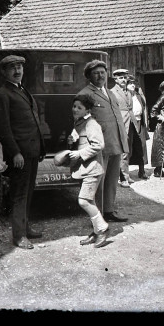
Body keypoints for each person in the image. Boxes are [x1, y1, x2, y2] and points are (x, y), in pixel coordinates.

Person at [0, 55, 45, 249]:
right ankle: (19, 236)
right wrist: (15, 153)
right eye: (12, 67)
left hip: (31, 151)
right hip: (20, 155)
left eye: (20, 67)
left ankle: (25, 228)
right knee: (19, 195)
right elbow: (3, 129)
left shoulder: (21, 90)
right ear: (4, 72)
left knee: (28, 192)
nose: (17, 70)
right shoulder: (2, 95)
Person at [77, 60, 129, 224]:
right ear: (89, 77)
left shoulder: (110, 92)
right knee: (98, 183)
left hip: (115, 143)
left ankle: (109, 211)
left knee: (112, 180)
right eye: (96, 73)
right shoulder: (85, 94)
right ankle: (97, 217)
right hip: (99, 147)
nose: (100, 76)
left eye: (102, 72)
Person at [61, 94, 109, 248]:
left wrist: (80, 153)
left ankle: (102, 229)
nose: (75, 109)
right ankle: (96, 232)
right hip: (85, 169)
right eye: (74, 106)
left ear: (87, 110)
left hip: (93, 169)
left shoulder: (91, 124)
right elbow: (79, 140)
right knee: (90, 201)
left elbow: (98, 145)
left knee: (83, 201)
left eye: (79, 107)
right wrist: (71, 141)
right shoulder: (79, 123)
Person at [111, 69, 135, 186]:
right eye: (121, 78)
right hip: (120, 124)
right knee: (122, 152)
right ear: (115, 79)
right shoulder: (112, 92)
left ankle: (126, 175)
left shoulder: (129, 92)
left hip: (130, 123)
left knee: (128, 150)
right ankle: (123, 178)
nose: (124, 80)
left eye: (125, 78)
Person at [125, 77, 151, 180]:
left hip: (139, 122)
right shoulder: (124, 96)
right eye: (130, 83)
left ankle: (142, 171)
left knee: (142, 146)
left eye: (134, 83)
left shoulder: (138, 96)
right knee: (128, 146)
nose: (132, 85)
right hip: (128, 122)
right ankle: (125, 173)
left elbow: (144, 108)